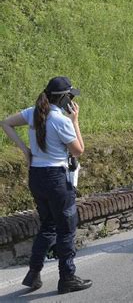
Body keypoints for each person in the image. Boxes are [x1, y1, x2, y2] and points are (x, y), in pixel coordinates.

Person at [0, 77, 92, 294]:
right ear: (63, 98)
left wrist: (25, 150)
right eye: (70, 96)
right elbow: (79, 151)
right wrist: (75, 121)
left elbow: (5, 122)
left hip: (37, 175)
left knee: (48, 224)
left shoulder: (34, 112)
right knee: (66, 228)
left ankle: (33, 273)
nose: (72, 100)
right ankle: (67, 277)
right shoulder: (61, 120)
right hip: (56, 177)